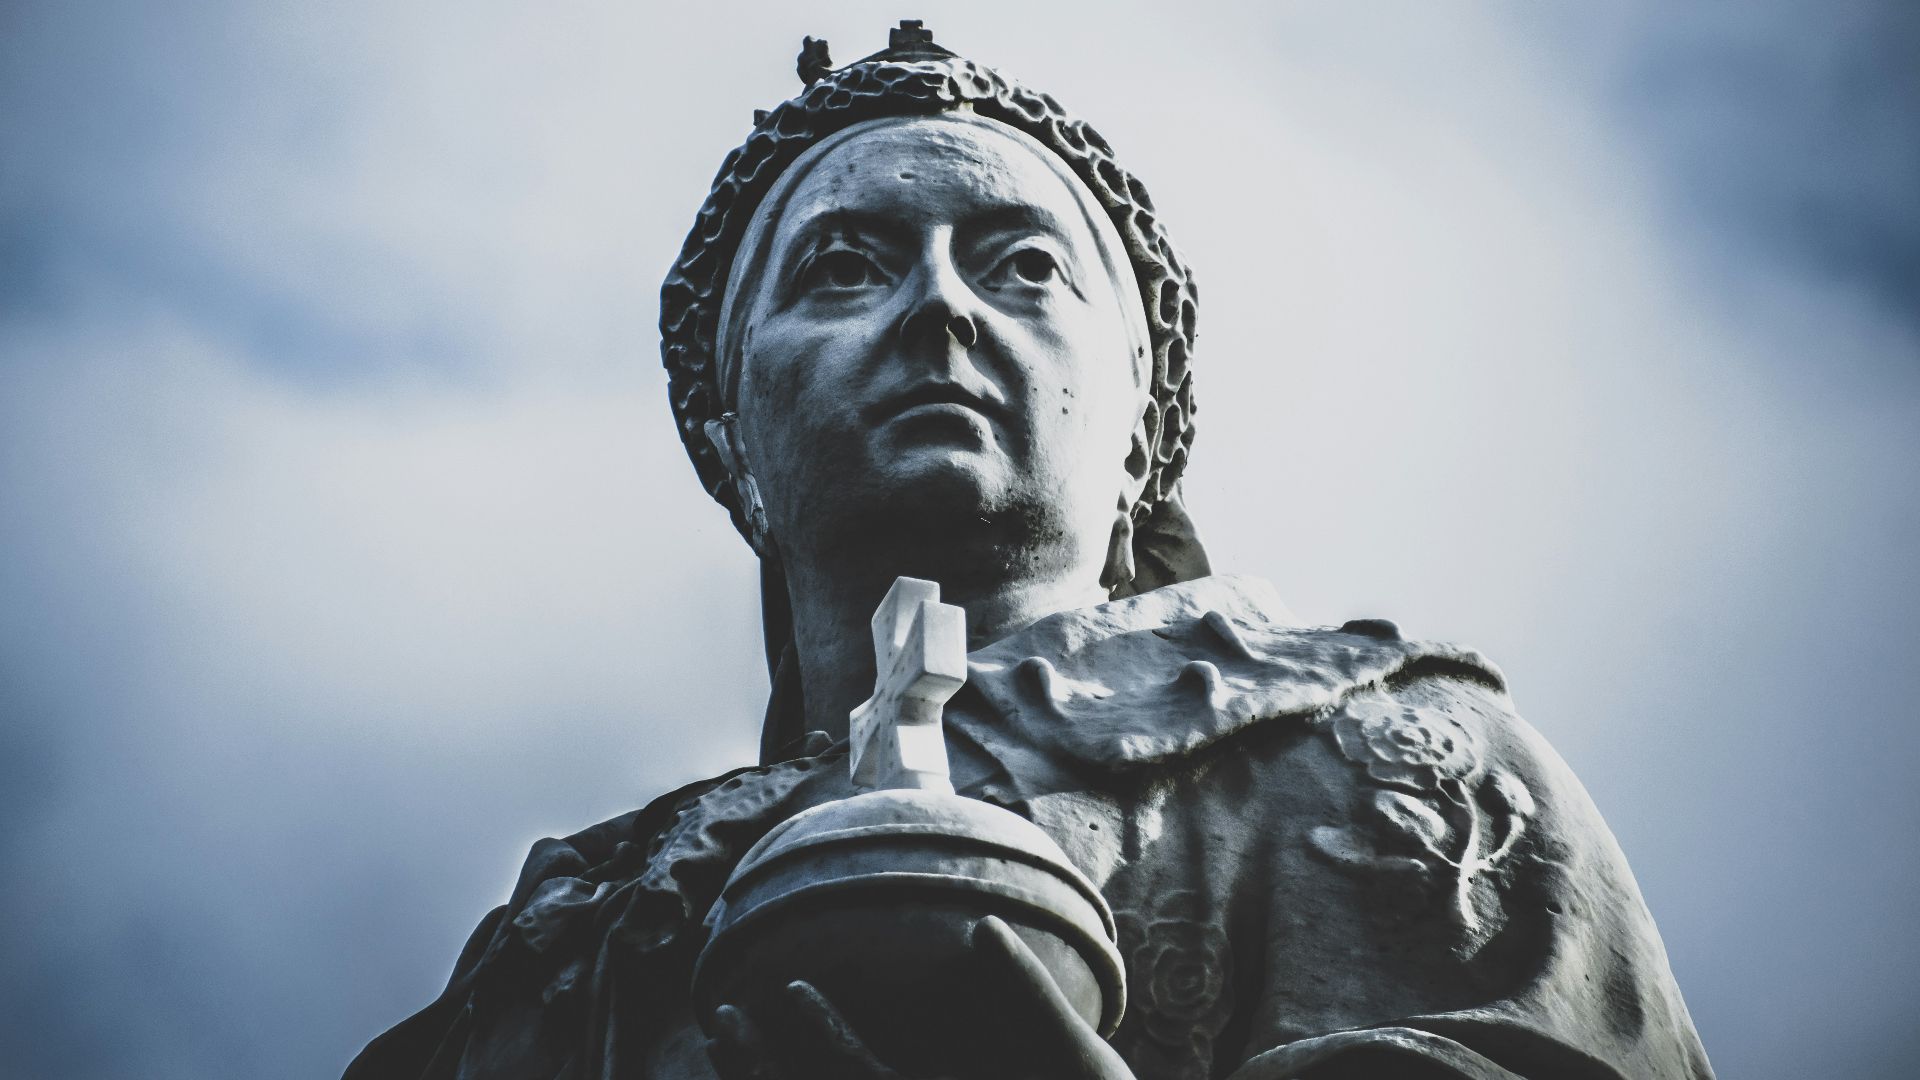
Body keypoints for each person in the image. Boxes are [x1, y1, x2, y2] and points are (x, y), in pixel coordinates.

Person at [348, 22, 1713, 1080]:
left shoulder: (1388, 761)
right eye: (841, 266)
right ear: (727, 434)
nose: (938, 306)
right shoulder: (577, 936)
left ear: (1134, 435)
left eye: (1022, 266)